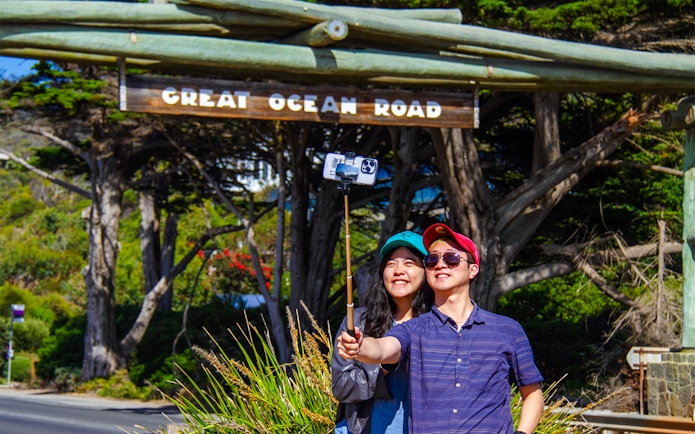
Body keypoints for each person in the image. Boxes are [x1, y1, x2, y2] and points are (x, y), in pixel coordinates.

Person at [337, 223, 545, 434]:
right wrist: (359, 347)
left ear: (473, 269)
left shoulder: (507, 329)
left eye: (452, 259)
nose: (440, 265)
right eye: (432, 260)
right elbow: (383, 348)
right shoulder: (414, 329)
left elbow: (533, 392)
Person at [332, 231, 434, 434]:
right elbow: (341, 387)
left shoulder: (437, 324)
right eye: (390, 264)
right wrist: (384, 365)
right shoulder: (359, 321)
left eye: (409, 263)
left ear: (425, 271)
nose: (398, 270)